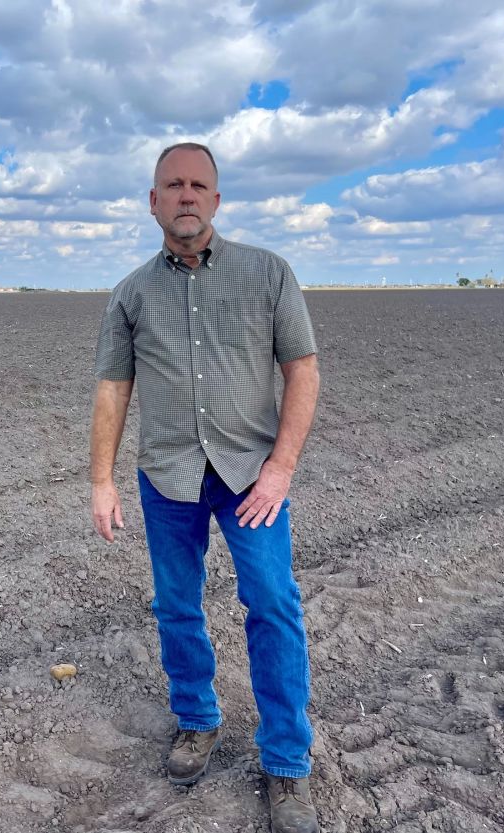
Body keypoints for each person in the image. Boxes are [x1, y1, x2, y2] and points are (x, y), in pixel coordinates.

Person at [90, 142, 321, 833]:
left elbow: (303, 371)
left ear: (216, 200)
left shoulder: (268, 273)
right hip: (168, 476)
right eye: (172, 185)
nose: (186, 195)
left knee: (273, 602)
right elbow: (112, 388)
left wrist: (280, 467)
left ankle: (286, 762)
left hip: (251, 476)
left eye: (199, 185)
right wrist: (101, 479)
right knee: (175, 604)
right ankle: (196, 719)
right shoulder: (132, 293)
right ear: (153, 201)